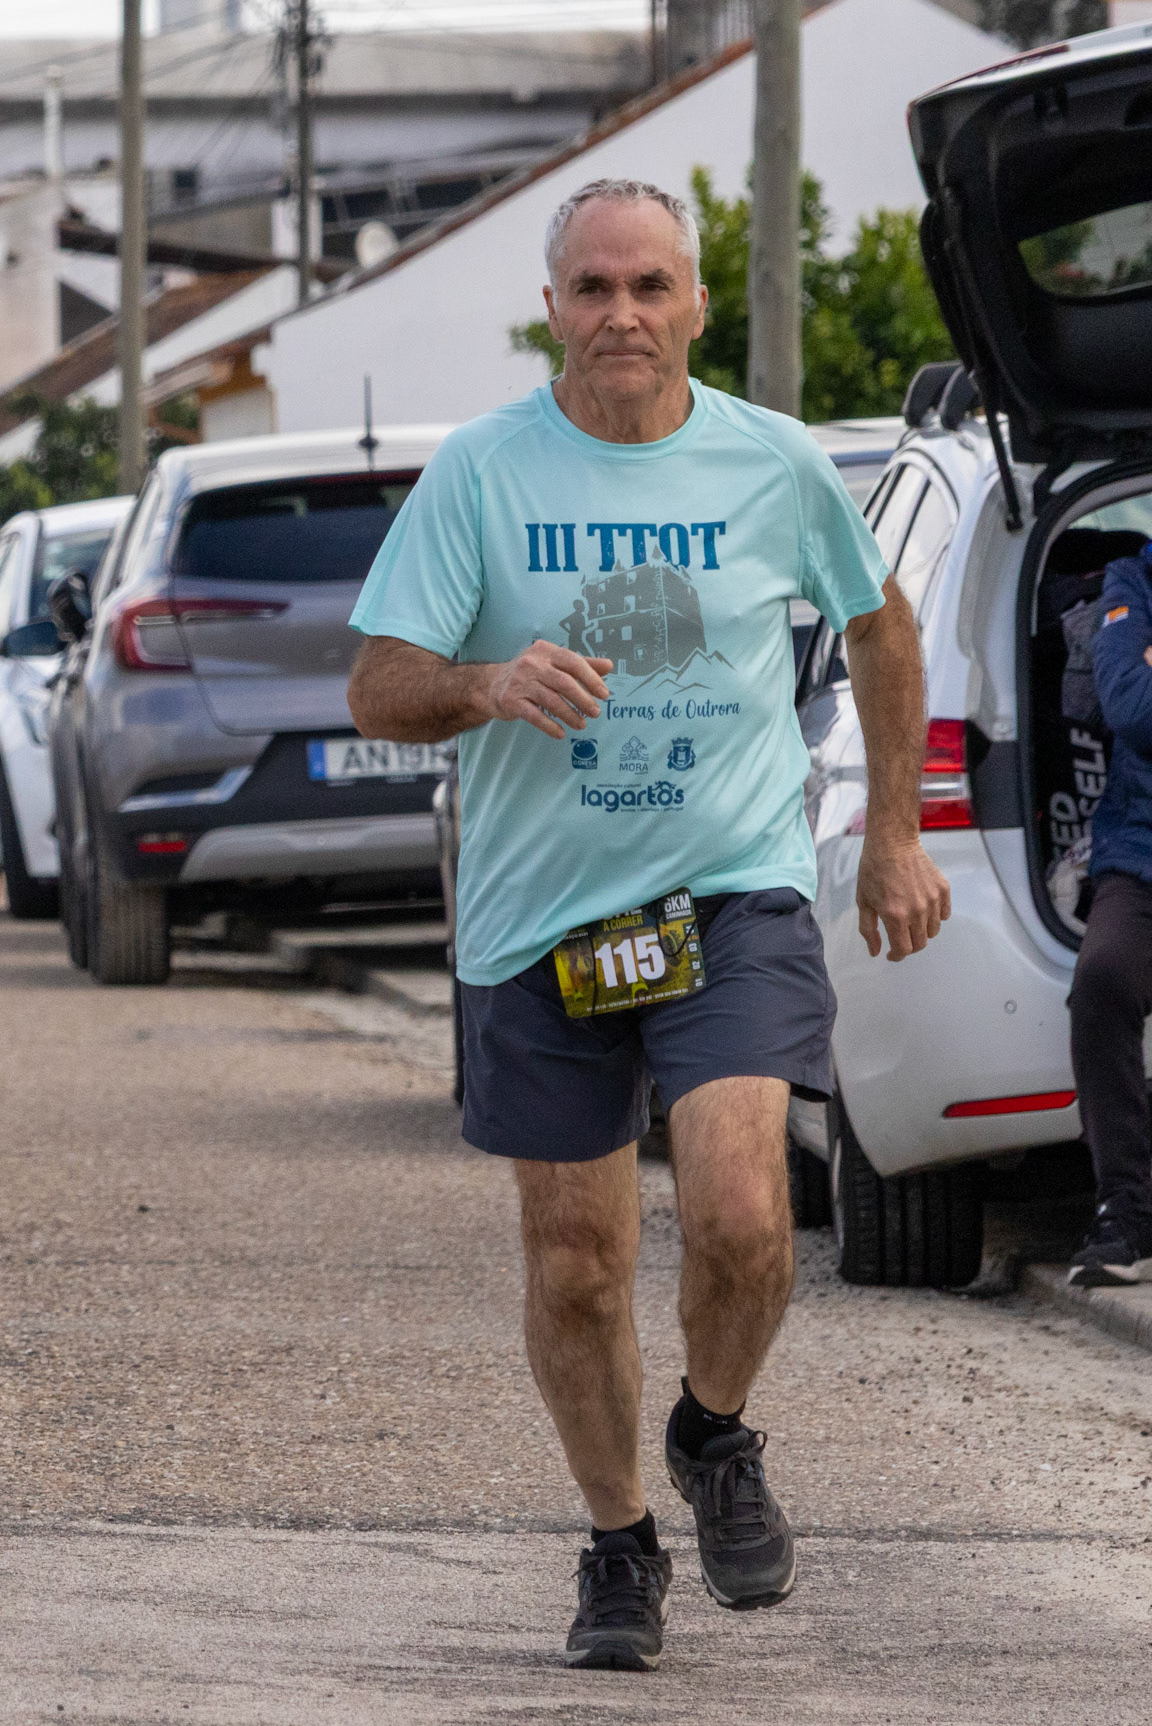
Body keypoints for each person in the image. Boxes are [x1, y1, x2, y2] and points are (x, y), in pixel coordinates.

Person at [347, 178, 949, 1671]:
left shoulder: (772, 460)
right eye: (594, 288)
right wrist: (487, 683)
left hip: (728, 889)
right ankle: (619, 1541)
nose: (622, 313)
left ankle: (712, 1432)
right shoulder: (482, 473)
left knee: (744, 1217)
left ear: (695, 302)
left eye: (649, 286)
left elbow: (879, 622)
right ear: (552, 308)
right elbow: (376, 684)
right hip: (539, 917)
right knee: (577, 1262)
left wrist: (892, 827)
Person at [1067, 545, 1152, 1287]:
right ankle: (1127, 1215)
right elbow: (1131, 704)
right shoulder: (1132, 580)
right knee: (1101, 983)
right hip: (1139, 854)